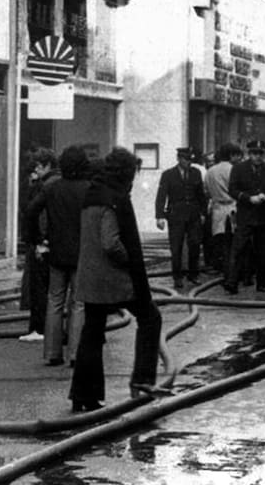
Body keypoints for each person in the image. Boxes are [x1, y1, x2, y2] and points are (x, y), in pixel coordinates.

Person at [70, 146, 165, 412]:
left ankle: (83, 396)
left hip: (90, 277)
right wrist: (129, 261)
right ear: (125, 174)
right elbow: (111, 242)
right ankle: (142, 381)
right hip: (115, 278)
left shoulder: (91, 194)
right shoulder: (114, 198)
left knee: (92, 332)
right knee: (150, 317)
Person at [25, 145, 91, 367]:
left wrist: (36, 239)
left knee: (54, 300)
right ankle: (75, 353)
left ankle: (52, 352)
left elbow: (31, 211)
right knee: (78, 302)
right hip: (81, 252)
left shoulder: (52, 188)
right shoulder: (89, 188)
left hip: (56, 250)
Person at [225, 141, 265, 294]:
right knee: (238, 249)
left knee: (263, 251)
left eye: (260, 154)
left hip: (263, 217)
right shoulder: (238, 168)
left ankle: (262, 283)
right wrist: (248, 198)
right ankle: (232, 282)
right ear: (249, 154)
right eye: (255, 153)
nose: (258, 157)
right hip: (245, 215)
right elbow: (232, 190)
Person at [155, 147, 208, 289]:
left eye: (190, 160)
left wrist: (203, 213)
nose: (188, 162)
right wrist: (159, 216)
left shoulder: (196, 173)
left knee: (195, 245)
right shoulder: (168, 175)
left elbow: (201, 195)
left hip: (193, 214)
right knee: (176, 247)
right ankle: (177, 276)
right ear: (179, 158)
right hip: (176, 215)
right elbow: (161, 196)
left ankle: (193, 274)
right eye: (186, 159)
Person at [18, 147, 56, 342]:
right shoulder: (54, 182)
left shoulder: (44, 186)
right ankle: (46, 328)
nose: (37, 170)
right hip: (49, 243)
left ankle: (39, 328)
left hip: (41, 244)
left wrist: (41, 241)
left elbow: (37, 214)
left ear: (47, 165)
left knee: (39, 287)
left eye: (39, 166)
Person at [203, 143, 241, 277]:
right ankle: (232, 273)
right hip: (232, 207)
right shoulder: (235, 170)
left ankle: (223, 269)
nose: (239, 158)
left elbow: (206, 192)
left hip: (217, 209)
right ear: (231, 155)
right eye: (237, 155)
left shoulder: (210, 171)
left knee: (220, 242)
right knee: (233, 243)